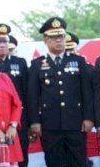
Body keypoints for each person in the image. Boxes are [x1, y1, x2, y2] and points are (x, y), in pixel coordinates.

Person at [28, 17, 94, 166]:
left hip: (76, 123)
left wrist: (89, 118)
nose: (58, 40)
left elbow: (87, 92)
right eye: (53, 37)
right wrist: (34, 122)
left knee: (78, 162)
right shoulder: (37, 65)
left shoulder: (78, 61)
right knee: (54, 162)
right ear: (45, 40)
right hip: (49, 125)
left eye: (61, 36)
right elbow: (32, 97)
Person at [0, 25, 29, 167]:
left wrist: (29, 123)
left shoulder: (20, 63)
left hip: (18, 122)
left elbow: (27, 94)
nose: (2, 45)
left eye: (5, 41)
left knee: (21, 160)